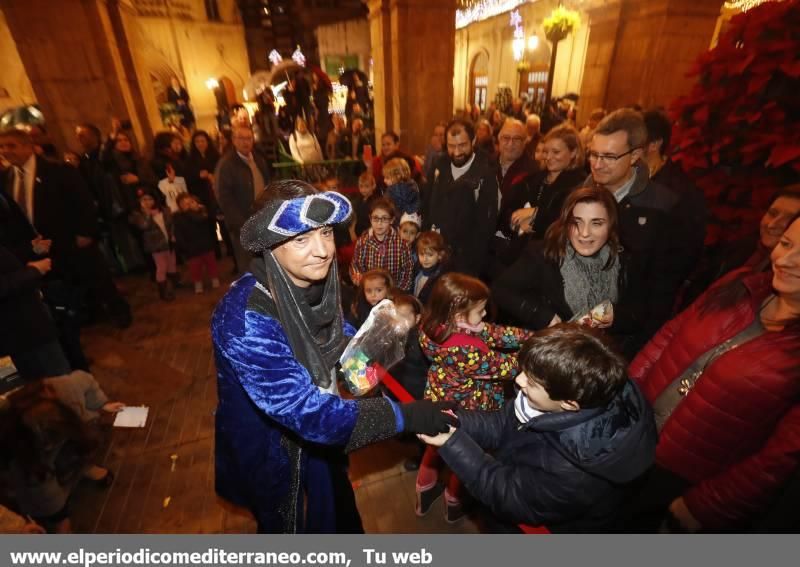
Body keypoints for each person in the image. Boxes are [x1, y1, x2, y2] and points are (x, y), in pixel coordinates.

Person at [211, 180, 457, 533]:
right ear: (269, 245)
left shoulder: (314, 281)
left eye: (325, 233)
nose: (323, 250)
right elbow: (310, 414)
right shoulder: (245, 317)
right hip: (278, 455)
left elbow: (336, 337)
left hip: (322, 444)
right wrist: (406, 416)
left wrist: (374, 346)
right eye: (301, 239)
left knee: (339, 519)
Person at [624, 215, 800, 533]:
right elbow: (668, 337)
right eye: (786, 244)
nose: (786, 260)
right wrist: (623, 396)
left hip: (681, 480)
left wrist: (708, 504)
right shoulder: (740, 284)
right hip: (629, 434)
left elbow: (782, 455)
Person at [418, 324, 657, 533]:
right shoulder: (559, 395)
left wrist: (452, 442)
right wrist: (451, 419)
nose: (519, 381)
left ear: (569, 403)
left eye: (531, 382)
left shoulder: (575, 472)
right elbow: (501, 423)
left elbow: (506, 493)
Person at [416, 272, 534, 523]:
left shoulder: (434, 325)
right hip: (469, 405)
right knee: (467, 449)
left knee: (435, 445)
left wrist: (531, 336)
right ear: (459, 316)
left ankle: (424, 488)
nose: (484, 315)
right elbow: (507, 367)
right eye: (480, 310)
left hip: (441, 394)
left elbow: (494, 333)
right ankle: (453, 500)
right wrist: (534, 352)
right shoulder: (463, 349)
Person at [493, 187, 644, 356]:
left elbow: (638, 315)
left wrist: (609, 317)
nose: (584, 233)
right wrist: (544, 316)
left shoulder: (624, 260)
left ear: (611, 225)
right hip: (549, 355)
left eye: (596, 223)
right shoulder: (544, 254)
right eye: (576, 222)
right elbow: (501, 290)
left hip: (598, 360)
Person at [585, 109, 693, 345]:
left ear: (635, 156)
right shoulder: (577, 196)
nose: (597, 164)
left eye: (609, 157)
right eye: (593, 154)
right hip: (574, 324)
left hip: (622, 338)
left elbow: (661, 291)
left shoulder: (665, 208)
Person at [496, 124, 586, 270]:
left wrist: (534, 215)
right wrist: (515, 223)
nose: (549, 157)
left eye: (556, 152)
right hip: (516, 255)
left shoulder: (579, 186)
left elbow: (565, 223)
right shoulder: (533, 179)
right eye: (546, 151)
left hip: (550, 261)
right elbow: (506, 210)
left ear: (573, 152)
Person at [422, 119, 498, 278]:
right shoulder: (439, 164)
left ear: (474, 141)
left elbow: (485, 227)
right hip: (436, 254)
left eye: (462, 145)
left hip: (466, 260)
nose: (456, 152)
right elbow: (427, 202)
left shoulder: (485, 173)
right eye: (451, 146)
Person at [643, 108, 707, 277]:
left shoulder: (677, 190)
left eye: (634, 140)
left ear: (654, 144)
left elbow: (684, 249)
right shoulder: (629, 176)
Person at [214, 125, 270, 272]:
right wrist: (241, 223)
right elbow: (224, 198)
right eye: (241, 138)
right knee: (248, 265)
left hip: (263, 219)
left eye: (249, 138)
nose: (246, 142)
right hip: (242, 223)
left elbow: (267, 185)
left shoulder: (258, 159)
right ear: (233, 140)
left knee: (266, 262)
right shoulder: (226, 165)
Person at [349, 197, 414, 292]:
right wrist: (364, 285)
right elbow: (356, 266)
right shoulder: (362, 242)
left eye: (384, 219)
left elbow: (407, 272)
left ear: (392, 220)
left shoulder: (402, 245)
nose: (379, 223)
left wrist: (397, 292)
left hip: (393, 294)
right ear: (370, 218)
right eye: (375, 218)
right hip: (369, 293)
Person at [129, 190, 176, 301]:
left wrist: (172, 235)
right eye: (144, 199)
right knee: (161, 267)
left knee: (171, 263)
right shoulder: (137, 214)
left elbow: (171, 224)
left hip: (168, 242)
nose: (147, 202)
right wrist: (147, 213)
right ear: (139, 201)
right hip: (155, 246)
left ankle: (174, 283)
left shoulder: (164, 210)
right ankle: (163, 292)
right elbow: (144, 226)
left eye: (150, 199)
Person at [173, 193, 220, 294]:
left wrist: (201, 210)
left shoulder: (201, 214)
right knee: (195, 268)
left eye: (190, 202)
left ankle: (214, 279)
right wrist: (183, 246)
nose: (188, 205)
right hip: (191, 248)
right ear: (179, 205)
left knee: (211, 263)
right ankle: (198, 283)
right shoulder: (178, 218)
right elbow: (178, 233)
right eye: (184, 203)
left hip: (206, 244)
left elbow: (208, 224)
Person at [413, 231, 448, 306]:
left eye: (430, 255)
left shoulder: (441, 278)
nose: (425, 259)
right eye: (421, 254)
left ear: (440, 255)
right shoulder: (416, 269)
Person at [352, 171, 380, 237]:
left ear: (373, 186)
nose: (363, 189)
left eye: (367, 186)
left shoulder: (376, 201)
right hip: (358, 230)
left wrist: (370, 229)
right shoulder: (358, 199)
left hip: (370, 230)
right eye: (361, 186)